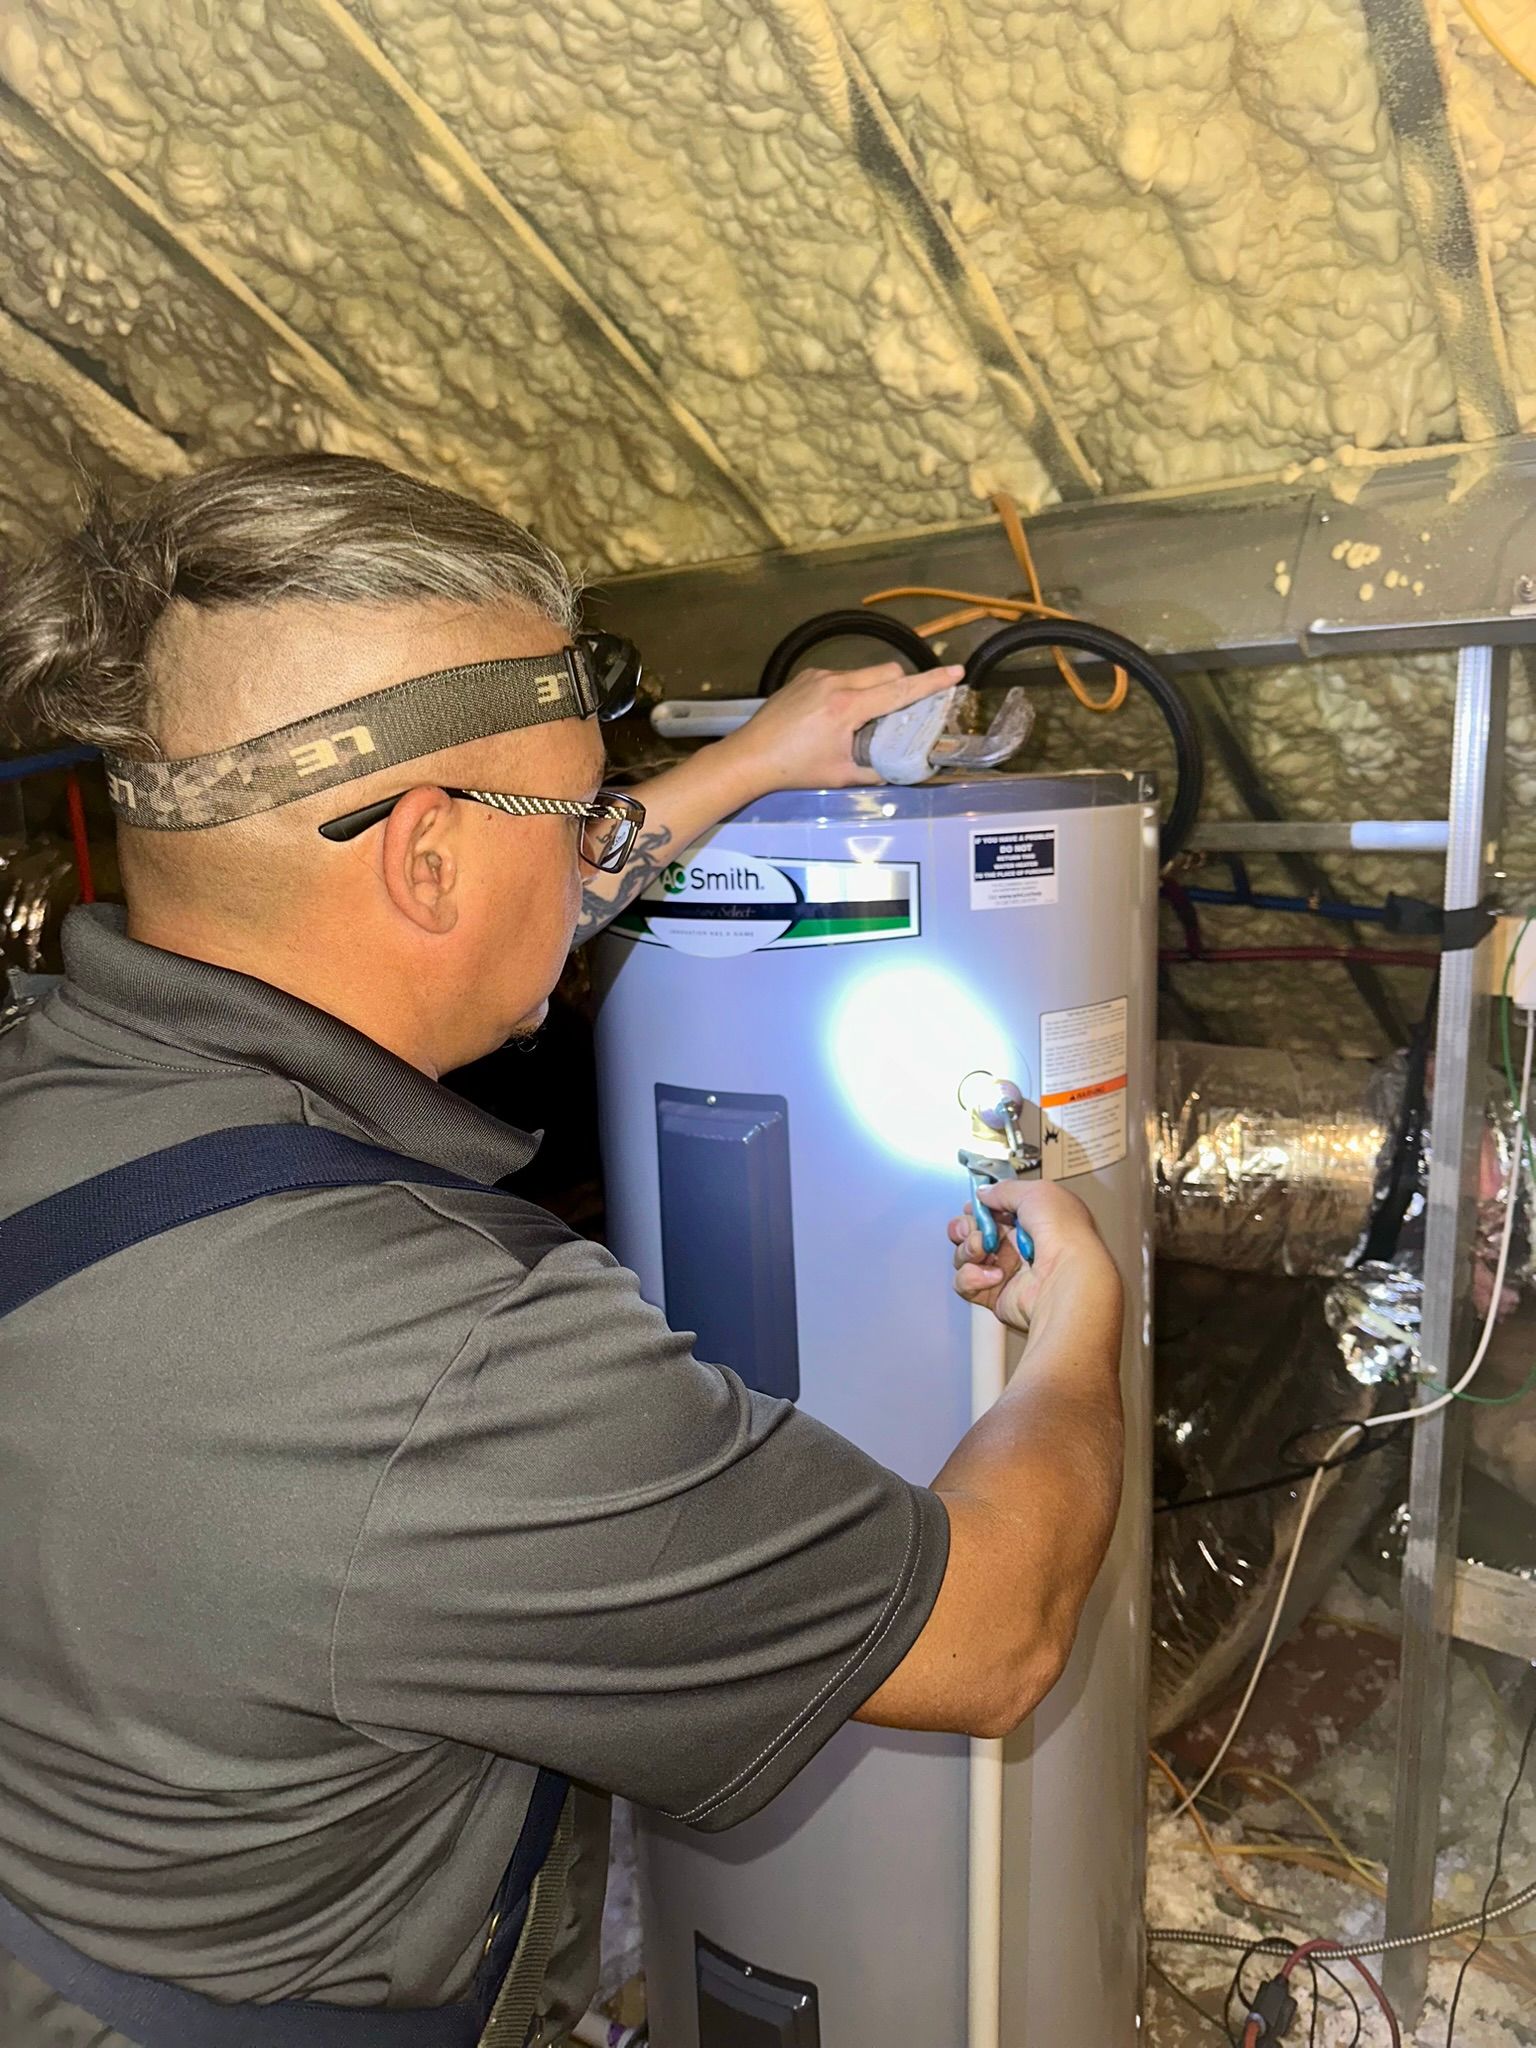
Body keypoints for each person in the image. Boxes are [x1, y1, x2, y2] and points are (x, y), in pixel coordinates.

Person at [0, 455, 1124, 2047]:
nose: (602, 850)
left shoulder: (44, 1074)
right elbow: (992, 1636)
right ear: (427, 861)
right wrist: (1083, 1322)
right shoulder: (446, 1359)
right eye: (582, 813)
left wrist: (753, 765)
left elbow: (493, 900)